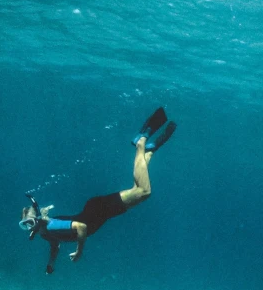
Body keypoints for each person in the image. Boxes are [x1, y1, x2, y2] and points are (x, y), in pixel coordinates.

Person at [19, 107, 176, 274]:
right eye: (25, 224)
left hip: (99, 209)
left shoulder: (50, 226)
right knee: (139, 190)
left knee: (143, 191)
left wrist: (79, 251)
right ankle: (147, 153)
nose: (29, 227)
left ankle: (141, 142)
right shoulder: (45, 233)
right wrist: (51, 264)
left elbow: (81, 227)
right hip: (100, 213)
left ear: (37, 218)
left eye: (30, 222)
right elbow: (55, 244)